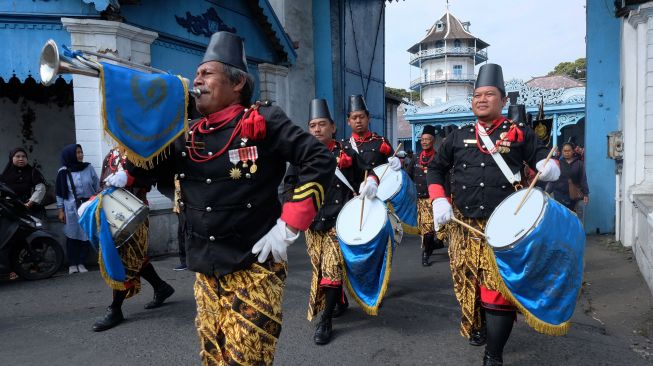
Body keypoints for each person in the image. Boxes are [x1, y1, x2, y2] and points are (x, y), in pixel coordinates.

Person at [104, 32, 335, 365]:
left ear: (237, 82)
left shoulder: (261, 120)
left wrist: (289, 223)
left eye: (207, 73)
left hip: (253, 268)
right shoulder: (187, 133)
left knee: (247, 361)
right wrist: (146, 128)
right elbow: (147, 166)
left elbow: (319, 159)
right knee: (214, 360)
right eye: (197, 74)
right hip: (206, 273)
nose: (197, 79)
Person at [426, 64, 560, 366]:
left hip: (503, 227)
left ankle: (494, 354)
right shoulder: (457, 137)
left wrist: (547, 168)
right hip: (463, 225)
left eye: (489, 94)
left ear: (502, 100)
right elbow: (435, 168)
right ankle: (478, 325)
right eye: (477, 95)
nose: (481, 99)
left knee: (496, 288)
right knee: (467, 282)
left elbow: (544, 159)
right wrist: (438, 199)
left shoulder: (520, 133)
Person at [284, 98, 377, 345]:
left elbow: (369, 173)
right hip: (312, 224)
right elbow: (289, 186)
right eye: (312, 125)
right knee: (320, 269)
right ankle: (340, 300)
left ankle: (325, 322)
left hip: (340, 221)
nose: (316, 129)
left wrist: (370, 183)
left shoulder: (347, 153)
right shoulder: (301, 155)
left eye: (322, 124)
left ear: (333, 127)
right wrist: (291, 211)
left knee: (332, 268)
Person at [86, 146, 176, 332]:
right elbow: (104, 183)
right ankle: (161, 287)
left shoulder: (142, 151)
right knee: (133, 256)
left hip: (134, 213)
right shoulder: (111, 153)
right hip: (112, 212)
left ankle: (115, 309)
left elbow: (156, 175)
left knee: (124, 259)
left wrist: (131, 178)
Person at [55, 144, 99, 275]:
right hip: (71, 208)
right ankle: (72, 263)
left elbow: (97, 186)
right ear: (70, 155)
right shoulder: (63, 171)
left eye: (81, 152)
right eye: (77, 153)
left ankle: (81, 262)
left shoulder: (89, 168)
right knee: (72, 235)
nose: (80, 155)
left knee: (86, 235)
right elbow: (59, 192)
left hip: (88, 206)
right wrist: (60, 210)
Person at [406, 125, 445, 267]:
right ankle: (426, 253)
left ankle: (434, 245)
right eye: (422, 139)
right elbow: (407, 177)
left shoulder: (440, 158)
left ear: (433, 140)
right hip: (422, 200)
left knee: (441, 228)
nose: (424, 142)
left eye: (427, 139)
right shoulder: (415, 158)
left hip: (437, 198)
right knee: (426, 228)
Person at [342, 94, 401, 170]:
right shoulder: (343, 146)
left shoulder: (381, 142)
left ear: (369, 118)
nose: (358, 121)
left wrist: (396, 162)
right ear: (348, 121)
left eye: (362, 117)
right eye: (354, 118)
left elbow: (392, 169)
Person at [0, 147, 47, 218]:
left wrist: (29, 203)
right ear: (12, 158)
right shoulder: (6, 174)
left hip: (29, 208)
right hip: (10, 209)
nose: (21, 159)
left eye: (23, 156)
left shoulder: (32, 172)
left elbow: (41, 188)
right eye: (17, 156)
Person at [546, 142, 589, 219]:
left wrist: (586, 193)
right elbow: (553, 178)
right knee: (561, 216)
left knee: (574, 216)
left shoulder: (579, 164)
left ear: (573, 151)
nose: (566, 153)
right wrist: (547, 192)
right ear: (562, 152)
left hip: (574, 195)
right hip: (559, 194)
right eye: (564, 151)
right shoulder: (558, 163)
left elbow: (583, 178)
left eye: (568, 151)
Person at [172, 175, 187, 271]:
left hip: (187, 204)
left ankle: (186, 261)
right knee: (181, 234)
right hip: (179, 205)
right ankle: (185, 261)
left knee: (184, 233)